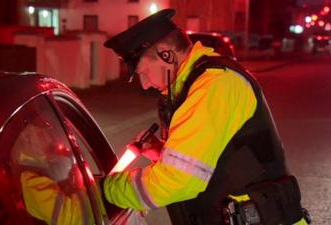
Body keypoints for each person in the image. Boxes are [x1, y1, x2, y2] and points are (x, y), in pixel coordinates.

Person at [102, 8, 310, 225]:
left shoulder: (214, 86)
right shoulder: (198, 84)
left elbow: (177, 181)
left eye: (143, 72)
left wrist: (106, 191)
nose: (144, 84)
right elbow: (218, 157)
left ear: (166, 53)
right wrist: (163, 153)